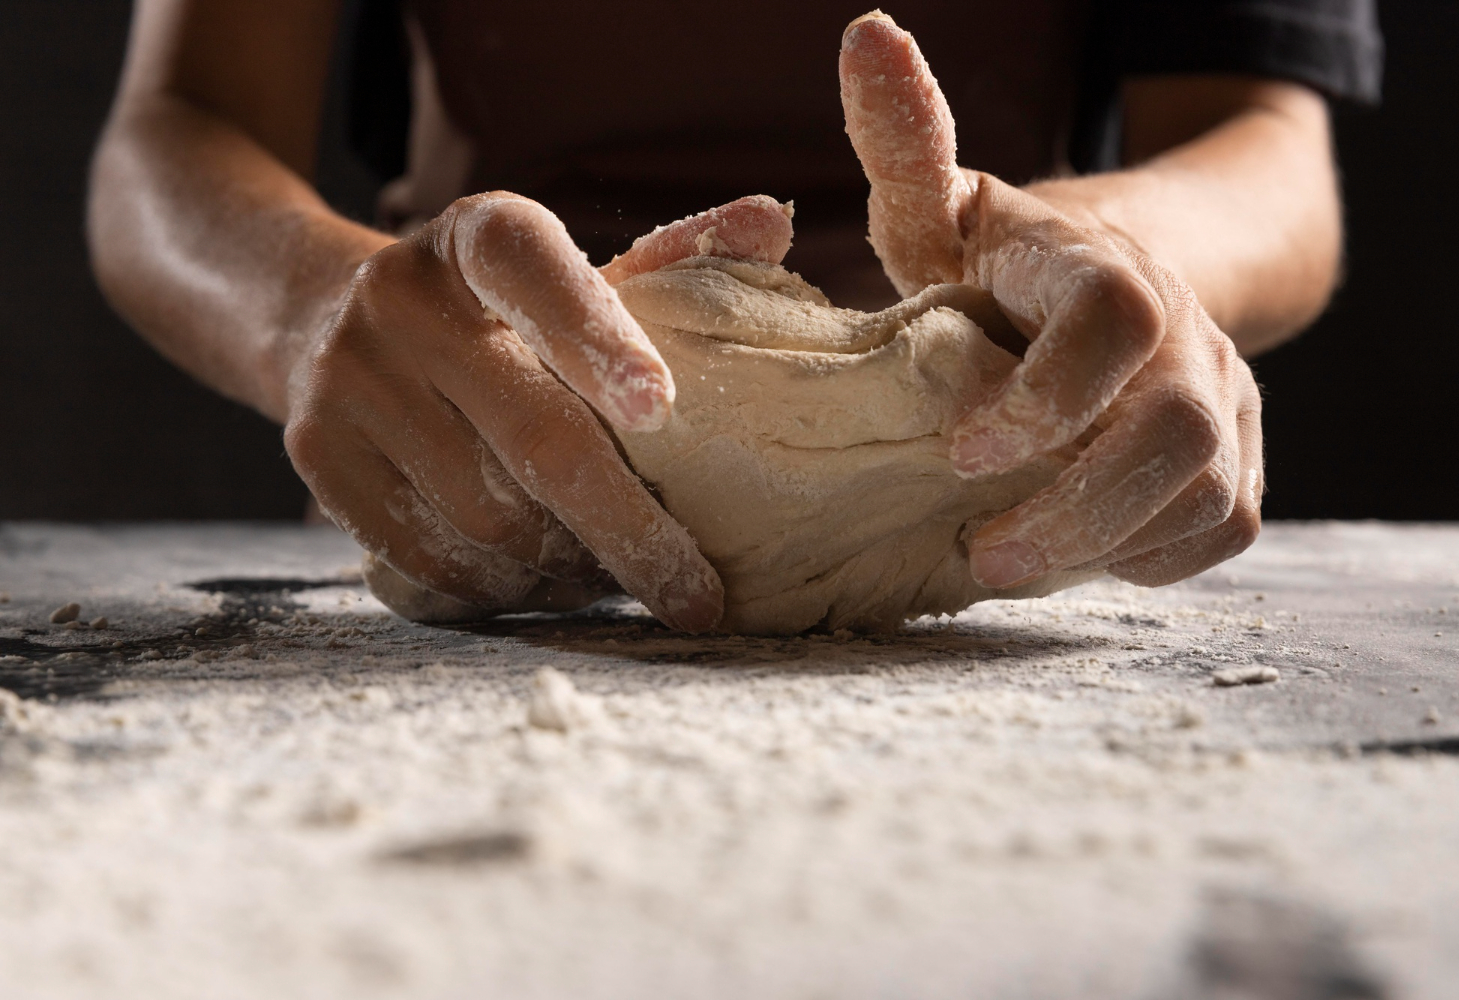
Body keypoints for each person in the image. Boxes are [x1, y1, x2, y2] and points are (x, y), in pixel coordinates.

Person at [87, 1, 1382, 632]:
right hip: (478, 442)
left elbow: (1262, 139)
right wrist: (314, 305)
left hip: (998, 451)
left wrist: (1120, 256)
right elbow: (177, 128)